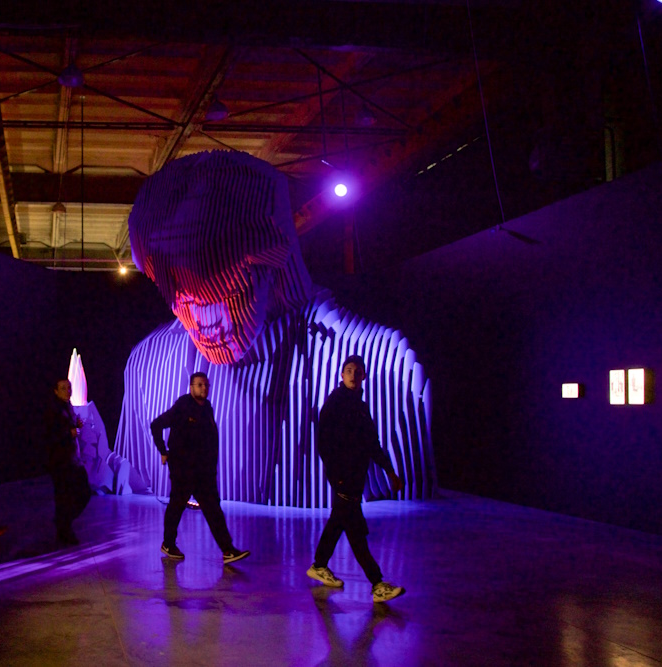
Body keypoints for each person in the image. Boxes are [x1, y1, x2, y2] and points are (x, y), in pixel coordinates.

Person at [116, 150, 435, 509]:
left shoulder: (390, 373)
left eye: (227, 291)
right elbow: (129, 490)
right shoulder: (145, 365)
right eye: (181, 299)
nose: (205, 322)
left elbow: (410, 523)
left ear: (276, 259)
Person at [307, 356, 406, 603]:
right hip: (344, 478)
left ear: (363, 376)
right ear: (342, 375)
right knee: (355, 531)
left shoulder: (360, 407)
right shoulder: (335, 403)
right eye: (349, 370)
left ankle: (319, 565)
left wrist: (389, 471)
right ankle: (377, 583)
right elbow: (324, 444)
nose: (353, 375)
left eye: (357, 371)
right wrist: (337, 477)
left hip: (354, 477)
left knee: (339, 522)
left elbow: (372, 443)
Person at [152, 372, 250, 564]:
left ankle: (228, 550)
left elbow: (210, 441)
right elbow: (156, 425)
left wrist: (211, 469)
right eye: (199, 385)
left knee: (213, 509)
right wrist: (163, 451)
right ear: (191, 387)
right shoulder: (183, 406)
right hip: (183, 469)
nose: (204, 388)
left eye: (206, 385)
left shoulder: (207, 408)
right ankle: (168, 544)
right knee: (177, 506)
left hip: (203, 472)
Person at [44, 378, 91, 545]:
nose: (67, 391)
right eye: (63, 388)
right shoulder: (54, 409)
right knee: (65, 496)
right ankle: (64, 528)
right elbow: (49, 435)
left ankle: (63, 524)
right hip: (61, 461)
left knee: (79, 493)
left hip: (71, 459)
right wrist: (68, 432)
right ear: (56, 391)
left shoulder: (67, 407)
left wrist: (75, 425)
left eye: (69, 387)